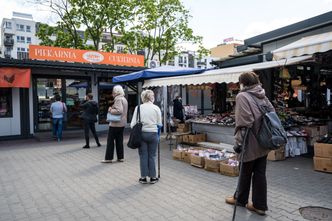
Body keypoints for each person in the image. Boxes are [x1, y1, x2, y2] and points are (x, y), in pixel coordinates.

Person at [225, 72, 274, 216]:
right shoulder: (262, 94)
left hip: (250, 141)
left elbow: (244, 122)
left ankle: (240, 199)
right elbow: (272, 112)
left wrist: (239, 143)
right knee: (259, 174)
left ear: (243, 83)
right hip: (264, 140)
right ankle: (260, 205)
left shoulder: (242, 96)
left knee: (244, 172)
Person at [131, 90, 162, 184]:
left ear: (143, 97)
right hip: (153, 134)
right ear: (151, 97)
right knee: (152, 156)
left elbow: (133, 124)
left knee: (143, 156)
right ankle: (153, 177)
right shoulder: (156, 108)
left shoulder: (138, 108)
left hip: (142, 134)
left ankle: (143, 177)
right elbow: (159, 123)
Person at [102, 85, 128, 163]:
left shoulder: (118, 99)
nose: (112, 92)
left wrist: (110, 110)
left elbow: (119, 110)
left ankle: (108, 158)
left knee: (110, 141)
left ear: (116, 91)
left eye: (113, 91)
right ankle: (120, 157)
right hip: (122, 123)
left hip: (115, 123)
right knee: (119, 140)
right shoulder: (124, 99)